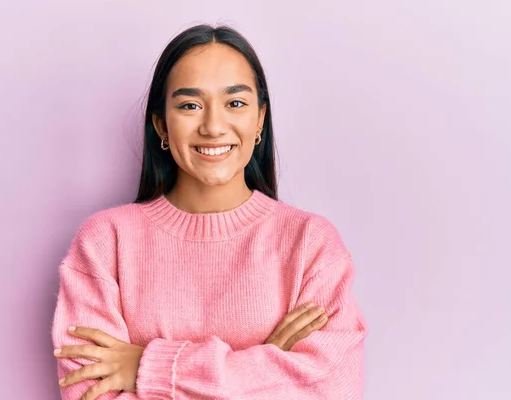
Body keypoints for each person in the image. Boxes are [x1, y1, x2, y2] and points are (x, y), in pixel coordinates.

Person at [51, 24, 367, 400]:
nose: (214, 126)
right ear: (161, 126)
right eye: (189, 105)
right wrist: (265, 365)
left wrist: (149, 368)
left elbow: (331, 389)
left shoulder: (310, 244)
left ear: (260, 120)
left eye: (235, 103)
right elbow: (89, 392)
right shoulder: (105, 243)